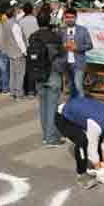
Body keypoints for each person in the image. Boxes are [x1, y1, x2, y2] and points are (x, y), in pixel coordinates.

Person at [55, 97, 104, 189]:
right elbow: (92, 149)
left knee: (99, 142)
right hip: (63, 117)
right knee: (82, 141)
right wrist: (100, 170)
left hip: (79, 111)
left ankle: (98, 165)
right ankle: (82, 174)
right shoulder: (97, 125)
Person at [29, 13, 66, 147]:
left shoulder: (33, 36)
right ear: (49, 21)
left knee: (43, 106)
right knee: (52, 107)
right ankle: (51, 138)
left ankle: (45, 135)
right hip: (52, 74)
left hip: (38, 74)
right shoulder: (55, 37)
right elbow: (62, 56)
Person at [60, 8, 93, 98]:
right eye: (67, 17)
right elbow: (58, 46)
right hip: (66, 63)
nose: (69, 19)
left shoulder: (83, 30)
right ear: (64, 18)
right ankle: (73, 106)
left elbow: (90, 45)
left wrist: (77, 47)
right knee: (71, 87)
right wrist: (62, 46)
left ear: (76, 18)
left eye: (72, 17)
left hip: (79, 63)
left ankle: (82, 106)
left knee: (78, 86)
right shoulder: (61, 30)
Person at [0, 2, 28, 100]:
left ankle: (12, 92)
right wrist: (25, 51)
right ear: (14, 13)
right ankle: (19, 94)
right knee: (20, 74)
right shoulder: (15, 25)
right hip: (18, 52)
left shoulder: (5, 23)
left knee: (12, 74)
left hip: (10, 52)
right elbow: (19, 40)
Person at [19, 3, 39, 98]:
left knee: (28, 69)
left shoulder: (20, 21)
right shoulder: (36, 20)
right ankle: (35, 89)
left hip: (26, 48)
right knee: (36, 68)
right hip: (36, 48)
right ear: (31, 10)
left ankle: (29, 90)